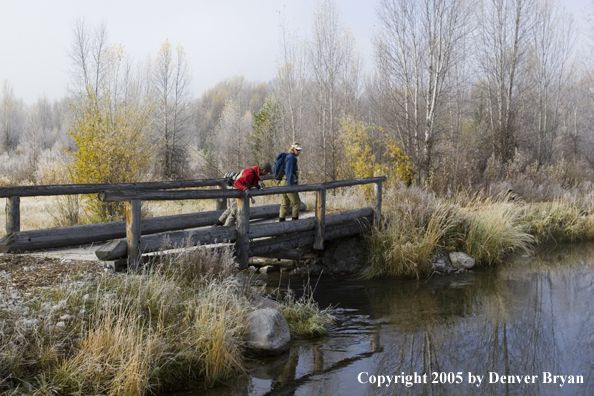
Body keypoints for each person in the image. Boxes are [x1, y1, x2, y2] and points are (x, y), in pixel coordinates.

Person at [218, 162, 272, 227]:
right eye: (267, 172)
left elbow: (251, 180)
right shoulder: (250, 172)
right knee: (234, 213)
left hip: (237, 190)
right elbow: (236, 183)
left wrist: (257, 185)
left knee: (231, 209)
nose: (267, 174)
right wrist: (245, 189)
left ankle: (218, 224)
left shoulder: (256, 171)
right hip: (235, 189)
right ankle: (226, 230)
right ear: (264, 170)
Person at [279, 142, 302, 222]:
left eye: (299, 150)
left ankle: (281, 223)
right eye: (297, 150)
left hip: (283, 181)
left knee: (284, 203)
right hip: (288, 182)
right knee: (296, 202)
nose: (299, 151)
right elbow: (289, 172)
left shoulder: (287, 156)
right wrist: (291, 185)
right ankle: (294, 222)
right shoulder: (291, 157)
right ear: (293, 149)